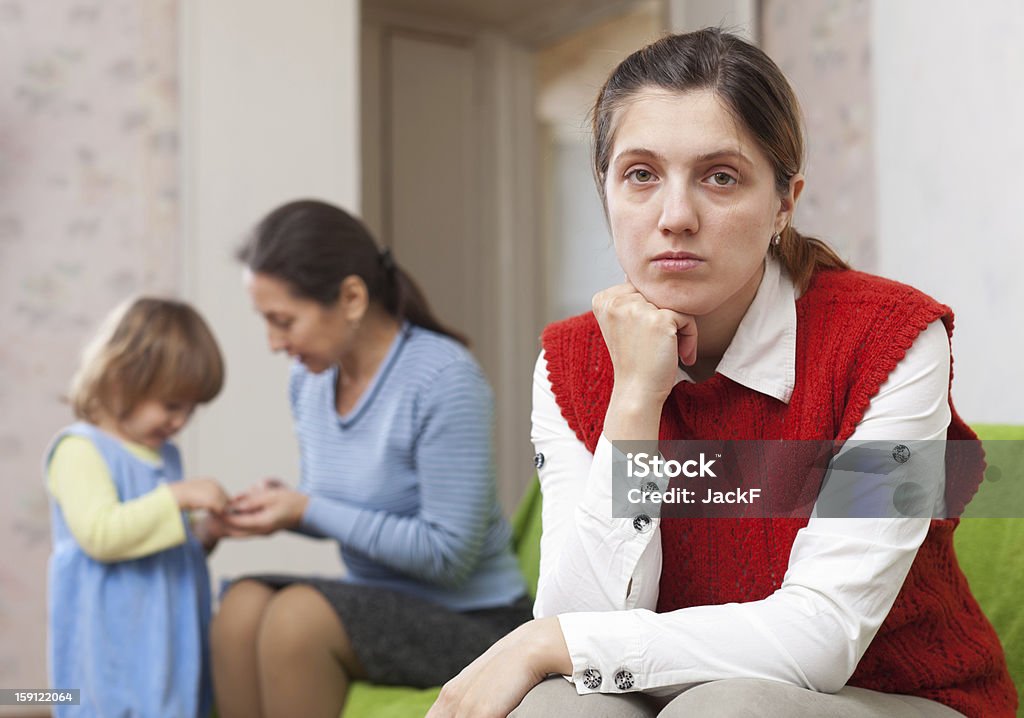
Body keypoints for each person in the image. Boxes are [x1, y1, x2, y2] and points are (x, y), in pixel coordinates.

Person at [427, 29, 1017, 718]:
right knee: (559, 709)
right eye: (640, 174)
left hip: (895, 697)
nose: (675, 218)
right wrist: (636, 397)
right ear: (606, 191)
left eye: (721, 176)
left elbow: (822, 635)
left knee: (728, 710)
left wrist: (543, 644)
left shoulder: (896, 339)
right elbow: (582, 628)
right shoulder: (569, 361)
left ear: (784, 203)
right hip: (669, 690)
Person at [210, 199, 532, 718]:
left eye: (283, 321)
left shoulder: (443, 378)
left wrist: (306, 509)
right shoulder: (311, 379)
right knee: (240, 606)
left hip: (476, 620)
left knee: (297, 619)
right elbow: (334, 504)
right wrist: (283, 507)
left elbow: (450, 556)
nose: (273, 342)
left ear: (352, 297)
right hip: (376, 604)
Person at [45, 297, 229, 718]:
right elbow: (102, 535)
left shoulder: (164, 454)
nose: (182, 421)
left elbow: (162, 546)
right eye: (172, 405)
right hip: (110, 643)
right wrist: (178, 497)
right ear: (119, 380)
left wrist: (205, 533)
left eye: (191, 409)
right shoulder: (80, 450)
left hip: (167, 640)